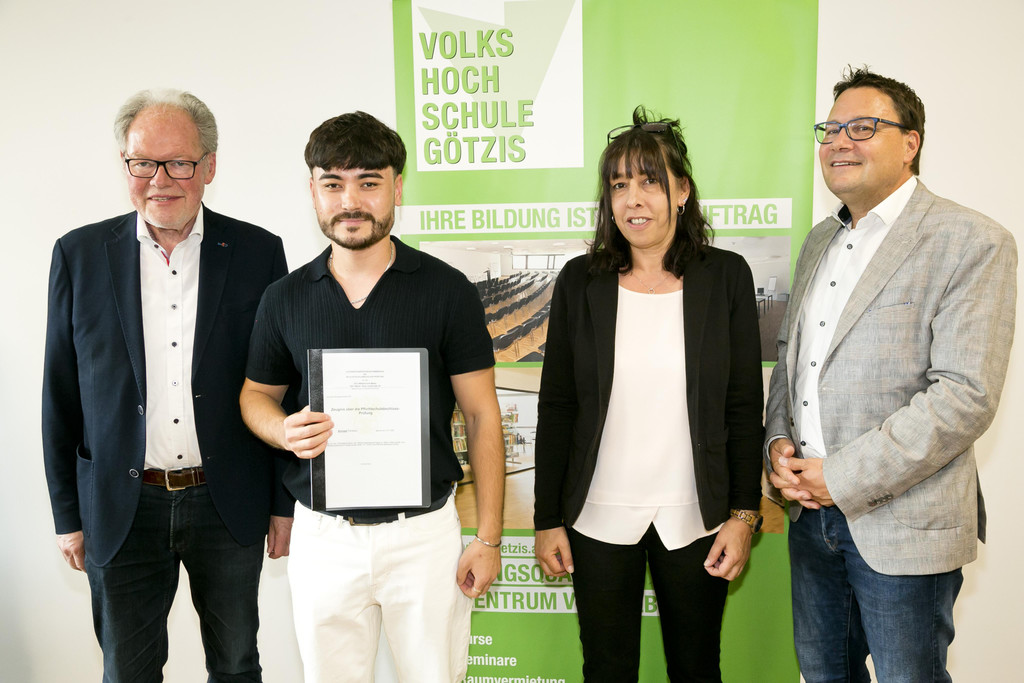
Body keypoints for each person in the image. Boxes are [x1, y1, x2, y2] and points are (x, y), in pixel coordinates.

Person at [765, 67, 1017, 682]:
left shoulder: (971, 240)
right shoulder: (819, 241)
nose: (839, 142)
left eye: (862, 127)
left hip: (905, 525)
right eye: (830, 129)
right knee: (825, 675)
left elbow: (964, 396)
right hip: (810, 520)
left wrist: (839, 477)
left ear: (910, 143)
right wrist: (778, 443)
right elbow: (790, 357)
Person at [239, 111, 505, 683]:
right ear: (313, 190)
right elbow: (256, 395)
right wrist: (281, 429)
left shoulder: (447, 290)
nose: (350, 201)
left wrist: (488, 536)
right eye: (333, 184)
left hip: (423, 534)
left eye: (368, 182)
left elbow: (483, 415)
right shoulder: (283, 298)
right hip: (323, 536)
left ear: (397, 188)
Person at [42, 89, 292, 682]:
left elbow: (285, 383)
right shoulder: (79, 255)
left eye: (179, 162)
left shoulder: (258, 253)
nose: (160, 179)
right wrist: (67, 514)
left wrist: (283, 504)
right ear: (125, 165)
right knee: (127, 673)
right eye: (143, 163)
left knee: (237, 667)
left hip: (227, 502)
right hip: (120, 505)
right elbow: (60, 393)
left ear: (209, 166)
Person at [533, 106, 765, 682]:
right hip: (597, 515)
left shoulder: (726, 276)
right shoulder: (579, 281)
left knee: (696, 669)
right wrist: (546, 519)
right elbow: (557, 405)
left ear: (681, 191)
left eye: (649, 182)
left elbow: (742, 405)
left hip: (697, 516)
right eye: (619, 185)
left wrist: (744, 515)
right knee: (607, 670)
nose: (633, 200)